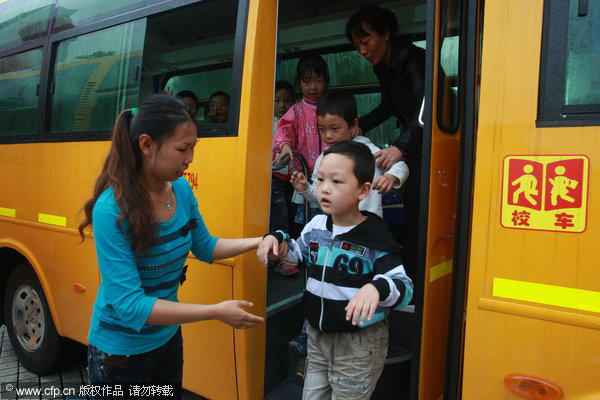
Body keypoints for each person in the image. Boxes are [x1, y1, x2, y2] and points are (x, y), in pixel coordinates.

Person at [78, 95, 269, 399]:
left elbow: (205, 246)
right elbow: (130, 306)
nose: (190, 157)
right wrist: (214, 311)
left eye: (193, 147)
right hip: (121, 355)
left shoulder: (180, 188)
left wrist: (261, 240)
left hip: (167, 340)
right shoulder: (111, 209)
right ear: (146, 144)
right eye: (183, 148)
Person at [258, 140, 414, 400]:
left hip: (358, 344)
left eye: (337, 182)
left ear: (363, 191)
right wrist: (278, 241)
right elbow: (298, 253)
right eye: (320, 180)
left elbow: (404, 287)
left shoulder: (374, 235)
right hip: (317, 336)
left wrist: (377, 288)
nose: (324, 189)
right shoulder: (317, 224)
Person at [346, 5, 425, 279]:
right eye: (357, 46)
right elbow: (390, 105)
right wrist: (360, 125)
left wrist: (400, 147)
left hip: (430, 148)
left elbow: (425, 110)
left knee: (418, 216)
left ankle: (413, 282)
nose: (363, 51)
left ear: (387, 33)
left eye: (366, 41)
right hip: (416, 146)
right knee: (412, 214)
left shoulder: (413, 61)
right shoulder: (383, 67)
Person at [290, 90, 409, 218]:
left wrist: (390, 177)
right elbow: (318, 193)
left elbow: (401, 167)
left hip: (368, 224)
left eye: (335, 129)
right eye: (322, 129)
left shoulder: (368, 151)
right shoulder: (324, 158)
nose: (328, 136)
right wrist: (305, 188)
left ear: (353, 125)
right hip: (338, 226)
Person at [272, 55, 329, 230]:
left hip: (329, 174)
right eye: (307, 81)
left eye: (318, 81)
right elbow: (284, 130)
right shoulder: (295, 111)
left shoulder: (332, 107)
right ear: (299, 82)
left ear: (326, 81)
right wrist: (285, 145)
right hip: (304, 177)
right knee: (304, 224)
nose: (313, 87)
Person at [269, 81, 297, 275]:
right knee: (280, 219)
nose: (282, 105)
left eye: (287, 101)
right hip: (274, 176)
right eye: (277, 100)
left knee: (295, 216)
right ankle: (281, 259)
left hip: (294, 177)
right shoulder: (267, 123)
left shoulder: (293, 123)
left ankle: (292, 256)